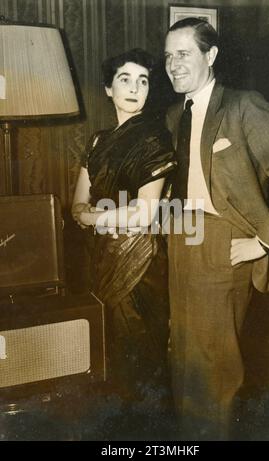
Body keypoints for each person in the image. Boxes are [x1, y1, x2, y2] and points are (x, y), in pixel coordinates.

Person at [164, 17, 269, 439]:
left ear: (211, 55)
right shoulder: (174, 115)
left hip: (222, 247)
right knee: (184, 365)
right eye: (168, 56)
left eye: (183, 54)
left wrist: (264, 242)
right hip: (180, 243)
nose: (173, 65)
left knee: (212, 372)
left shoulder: (243, 105)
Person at [72, 49, 176, 408]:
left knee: (142, 356)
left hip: (141, 261)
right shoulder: (97, 142)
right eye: (125, 79)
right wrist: (98, 216)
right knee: (108, 353)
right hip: (100, 258)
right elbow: (75, 205)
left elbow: (145, 213)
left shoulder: (154, 139)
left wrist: (95, 217)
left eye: (143, 80)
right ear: (107, 89)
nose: (135, 88)